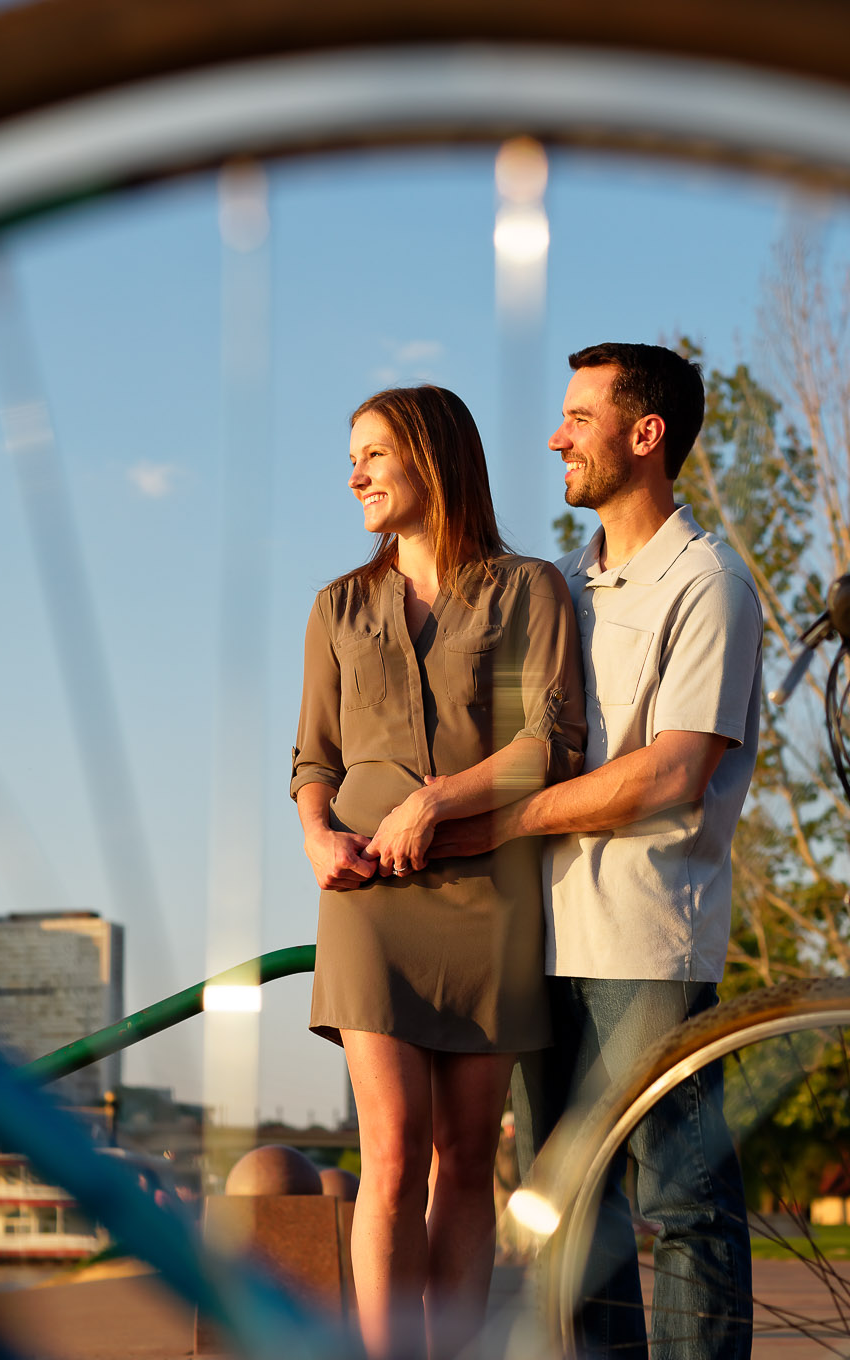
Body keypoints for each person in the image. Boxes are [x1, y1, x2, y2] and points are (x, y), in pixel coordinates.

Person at [433, 343, 763, 1360]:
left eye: (577, 417)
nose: (554, 437)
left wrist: (512, 820)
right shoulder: (549, 585)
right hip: (533, 940)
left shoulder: (707, 583)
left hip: (642, 939)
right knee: (562, 1210)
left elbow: (673, 772)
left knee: (680, 1200)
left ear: (643, 434)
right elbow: (500, 750)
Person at [291, 384, 587, 1360]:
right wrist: (316, 835)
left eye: (373, 453)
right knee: (391, 1152)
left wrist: (437, 798)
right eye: (352, 456)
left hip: (486, 896)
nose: (355, 474)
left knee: (465, 1162)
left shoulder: (523, 590)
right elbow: (314, 760)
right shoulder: (338, 605)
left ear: (431, 455)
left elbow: (545, 744)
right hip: (366, 899)